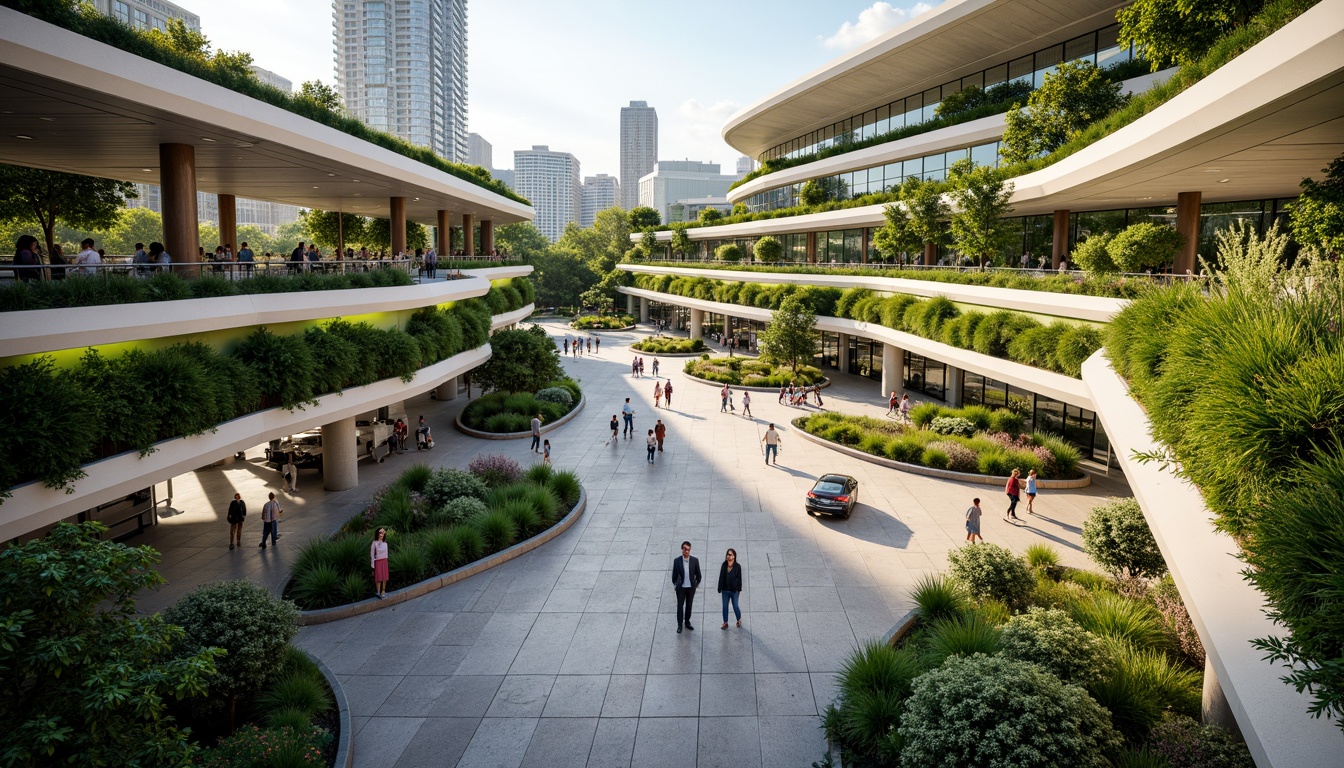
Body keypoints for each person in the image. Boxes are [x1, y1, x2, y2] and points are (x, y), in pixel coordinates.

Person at [671, 540, 701, 633]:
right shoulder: (677, 561)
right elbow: (674, 575)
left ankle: (687, 622)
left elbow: (699, 575)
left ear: (690, 550)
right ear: (682, 549)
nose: (686, 551)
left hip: (691, 588)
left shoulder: (694, 560)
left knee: (689, 605)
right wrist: (676, 584)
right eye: (684, 549)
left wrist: (695, 585)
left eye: (688, 549)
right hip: (681, 588)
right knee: (680, 606)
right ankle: (679, 625)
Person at [718, 548, 743, 629]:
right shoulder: (724, 565)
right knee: (725, 606)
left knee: (735, 605)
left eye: (730, 555)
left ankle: (738, 619)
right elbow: (721, 576)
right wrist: (719, 587)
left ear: (734, 556)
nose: (728, 556)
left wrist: (738, 589)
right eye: (728, 554)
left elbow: (739, 579)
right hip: (725, 590)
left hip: (734, 591)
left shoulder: (737, 567)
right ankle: (725, 623)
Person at [370, 527, 390, 599]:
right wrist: (372, 564)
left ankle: (383, 591)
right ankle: (378, 591)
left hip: (384, 560)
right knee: (379, 577)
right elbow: (372, 553)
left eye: (383, 532)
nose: (381, 534)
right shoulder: (374, 543)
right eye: (380, 532)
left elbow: (386, 553)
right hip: (378, 561)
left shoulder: (385, 543)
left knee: (384, 576)